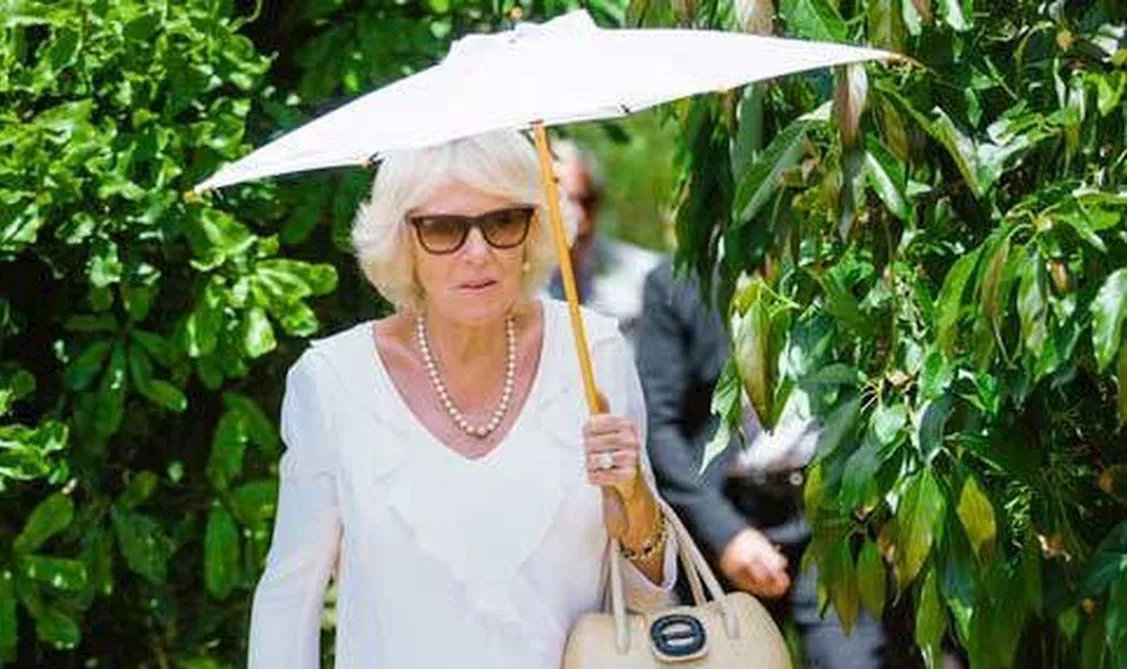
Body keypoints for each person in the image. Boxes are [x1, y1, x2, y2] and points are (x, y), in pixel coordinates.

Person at [248, 130, 680, 668]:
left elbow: (651, 599)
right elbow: (290, 599)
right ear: (403, 241)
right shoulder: (333, 380)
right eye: (444, 228)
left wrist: (634, 497)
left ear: (533, 229)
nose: (477, 252)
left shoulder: (595, 353)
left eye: (502, 221)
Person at [636, 260, 887, 668]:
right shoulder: (675, 283)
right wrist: (727, 535)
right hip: (726, 510)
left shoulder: (840, 267)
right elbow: (659, 427)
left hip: (826, 512)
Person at [546, 139, 662, 344]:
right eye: (565, 201)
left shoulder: (646, 273)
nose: (580, 216)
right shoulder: (516, 289)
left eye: (587, 201)